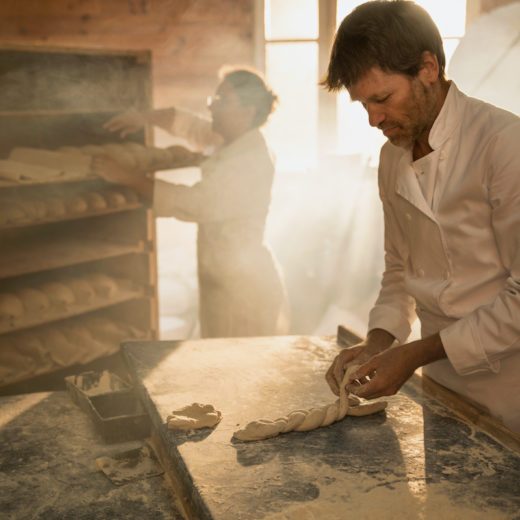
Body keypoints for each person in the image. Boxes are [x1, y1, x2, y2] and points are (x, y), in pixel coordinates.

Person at [322, 0, 520, 432]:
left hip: (511, 383)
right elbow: (400, 268)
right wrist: (378, 342)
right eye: (363, 105)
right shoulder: (393, 158)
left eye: (382, 98)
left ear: (428, 68)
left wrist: (412, 354)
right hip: (441, 381)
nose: (374, 118)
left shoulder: (503, 145)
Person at [93, 67, 290, 338]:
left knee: (240, 371)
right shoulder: (231, 141)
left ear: (247, 111)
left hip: (244, 290)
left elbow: (196, 203)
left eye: (222, 101)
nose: (212, 108)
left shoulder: (249, 161)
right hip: (225, 281)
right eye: (214, 99)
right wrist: (143, 118)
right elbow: (191, 125)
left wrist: (126, 176)